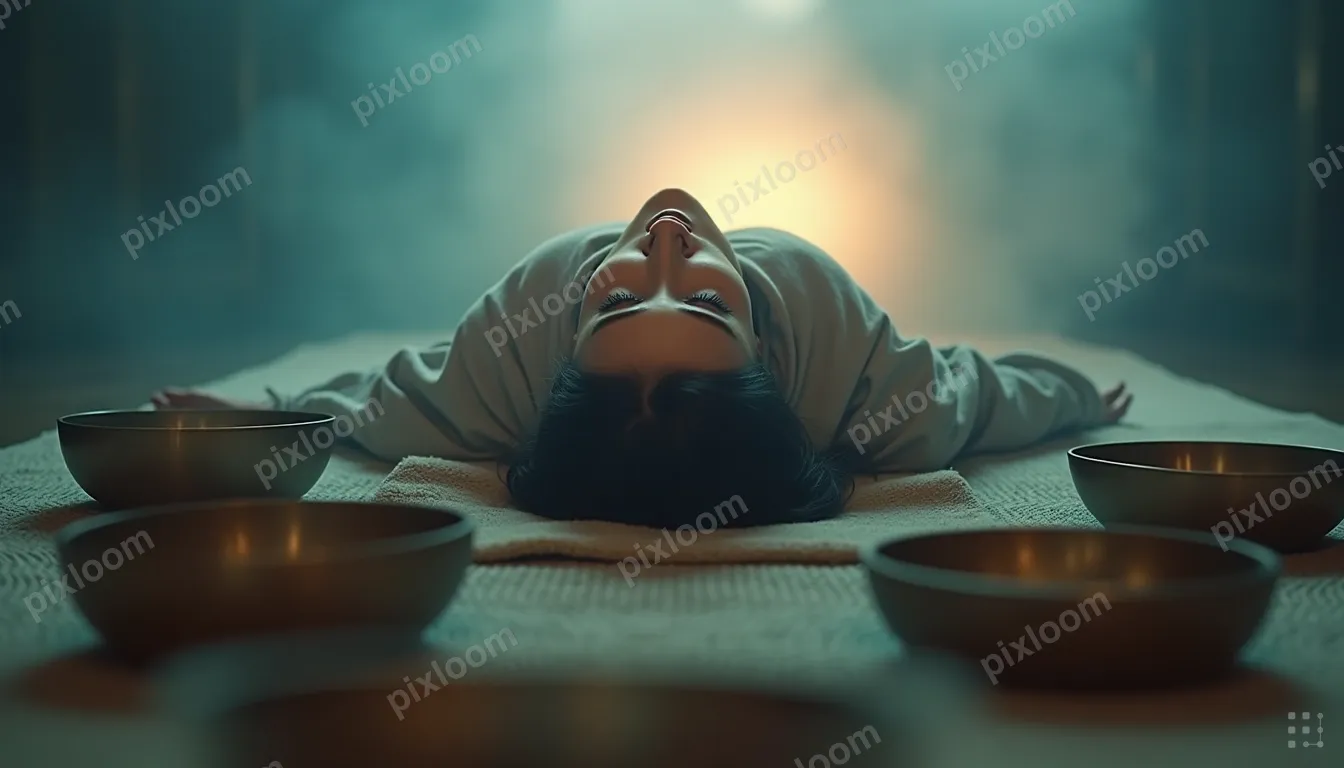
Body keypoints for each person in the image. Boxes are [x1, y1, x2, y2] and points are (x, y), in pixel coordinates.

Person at [153, 188, 1131, 529]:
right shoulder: (864, 382)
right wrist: (1082, 395)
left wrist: (271, 410)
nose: (665, 246)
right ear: (764, 350)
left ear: (566, 347)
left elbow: (381, 400)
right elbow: (988, 395)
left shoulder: (512, 353)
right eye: (705, 303)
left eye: (617, 303)